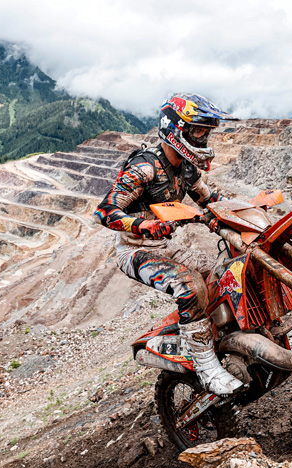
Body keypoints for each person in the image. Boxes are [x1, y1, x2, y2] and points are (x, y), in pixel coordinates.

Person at [94, 93, 244, 395]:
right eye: (197, 131)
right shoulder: (145, 168)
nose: (202, 138)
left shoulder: (187, 168)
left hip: (166, 246)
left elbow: (211, 199)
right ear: (176, 129)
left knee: (224, 273)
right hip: (135, 250)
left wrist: (244, 209)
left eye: (205, 132)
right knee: (191, 286)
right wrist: (142, 225)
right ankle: (205, 366)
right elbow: (105, 210)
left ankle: (218, 339)